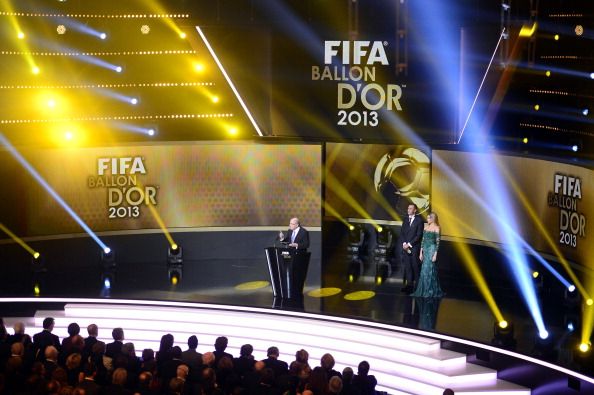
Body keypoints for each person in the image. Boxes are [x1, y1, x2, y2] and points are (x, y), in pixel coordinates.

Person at [411, 212, 445, 298]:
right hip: (425, 249)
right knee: (424, 270)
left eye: (428, 218)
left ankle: (430, 290)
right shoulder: (426, 227)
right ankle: (424, 290)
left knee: (429, 269)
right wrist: (420, 252)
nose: (427, 219)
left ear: (433, 218)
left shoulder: (437, 228)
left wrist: (435, 254)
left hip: (432, 249)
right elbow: (422, 240)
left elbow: (438, 242)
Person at [399, 203, 424, 293]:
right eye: (408, 208)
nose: (408, 210)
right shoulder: (405, 219)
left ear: (415, 210)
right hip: (405, 247)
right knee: (408, 267)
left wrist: (409, 244)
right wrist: (404, 244)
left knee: (415, 267)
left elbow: (419, 235)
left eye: (410, 208)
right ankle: (409, 286)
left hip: (414, 248)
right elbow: (402, 232)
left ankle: (418, 287)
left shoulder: (419, 220)